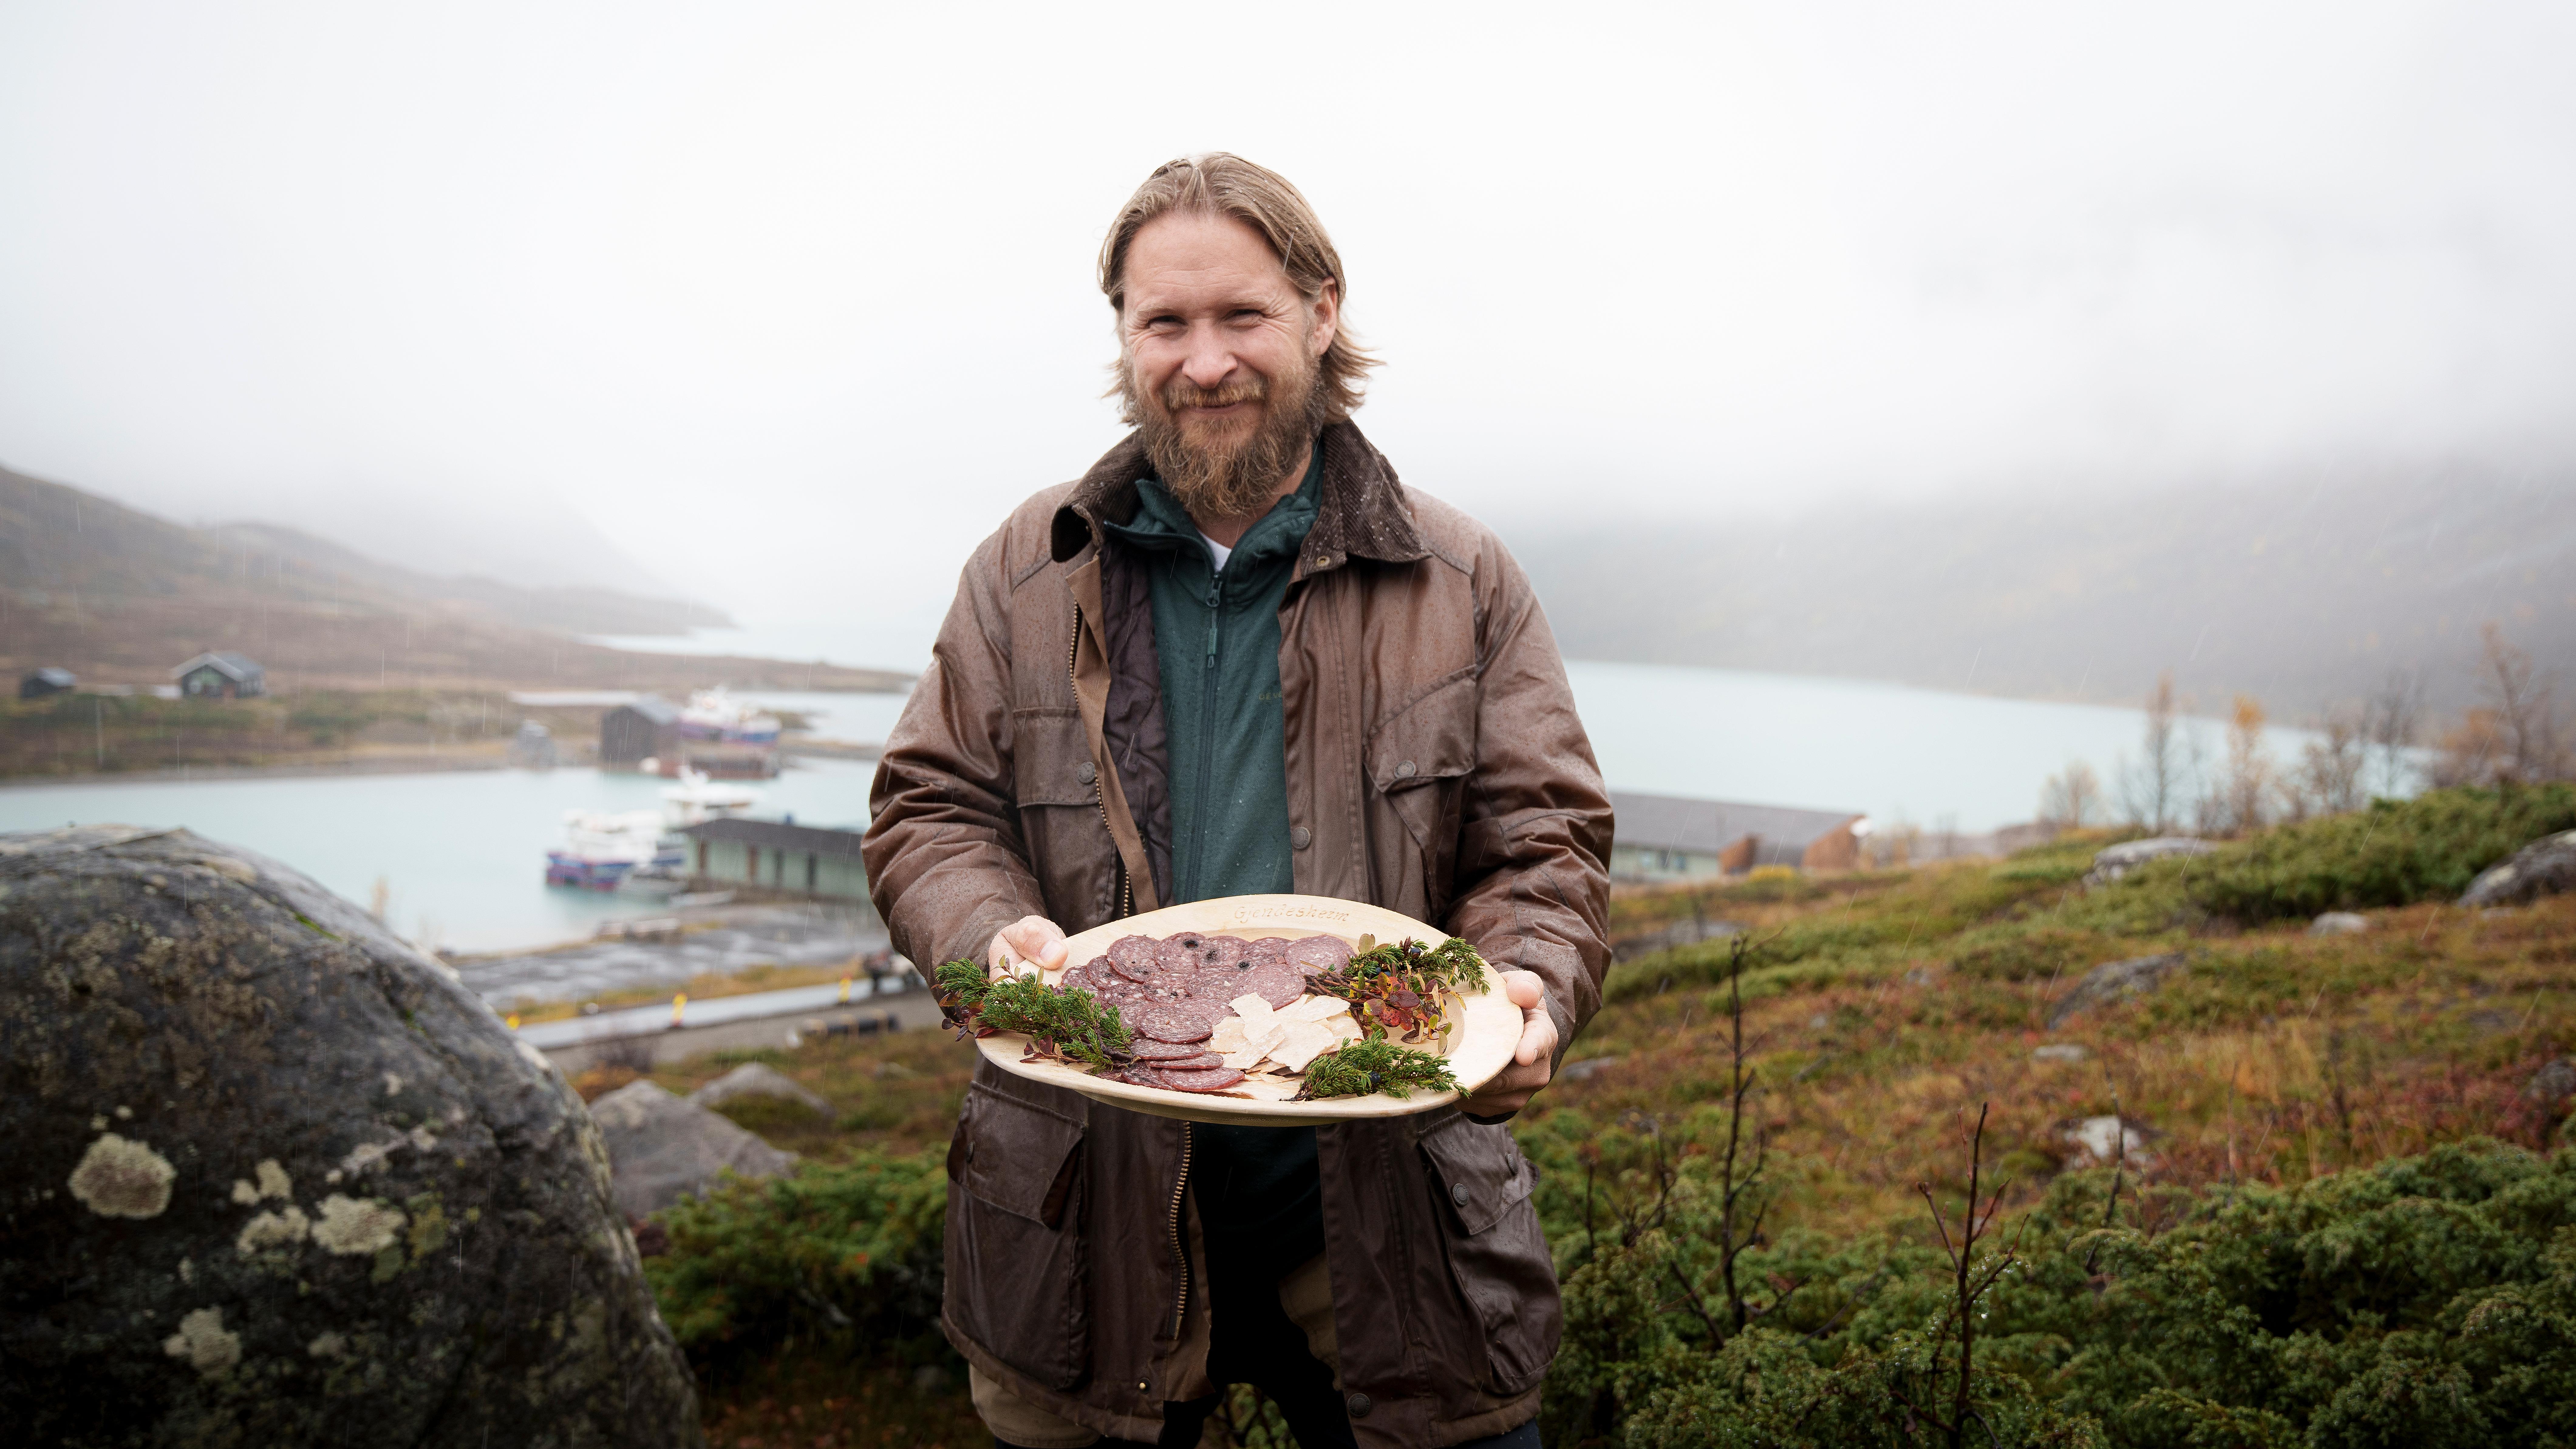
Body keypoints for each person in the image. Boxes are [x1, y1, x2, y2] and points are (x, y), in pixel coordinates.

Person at [863, 153, 1613, 1449]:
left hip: (1389, 1203)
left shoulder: (1462, 576)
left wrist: (1525, 986)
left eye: (1242, 317)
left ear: (1322, 311)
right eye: (1166, 323)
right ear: (1124, 336)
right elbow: (930, 806)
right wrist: (992, 938)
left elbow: (1542, 841)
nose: (1203, 362)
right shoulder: (1025, 570)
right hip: (1084, 1202)